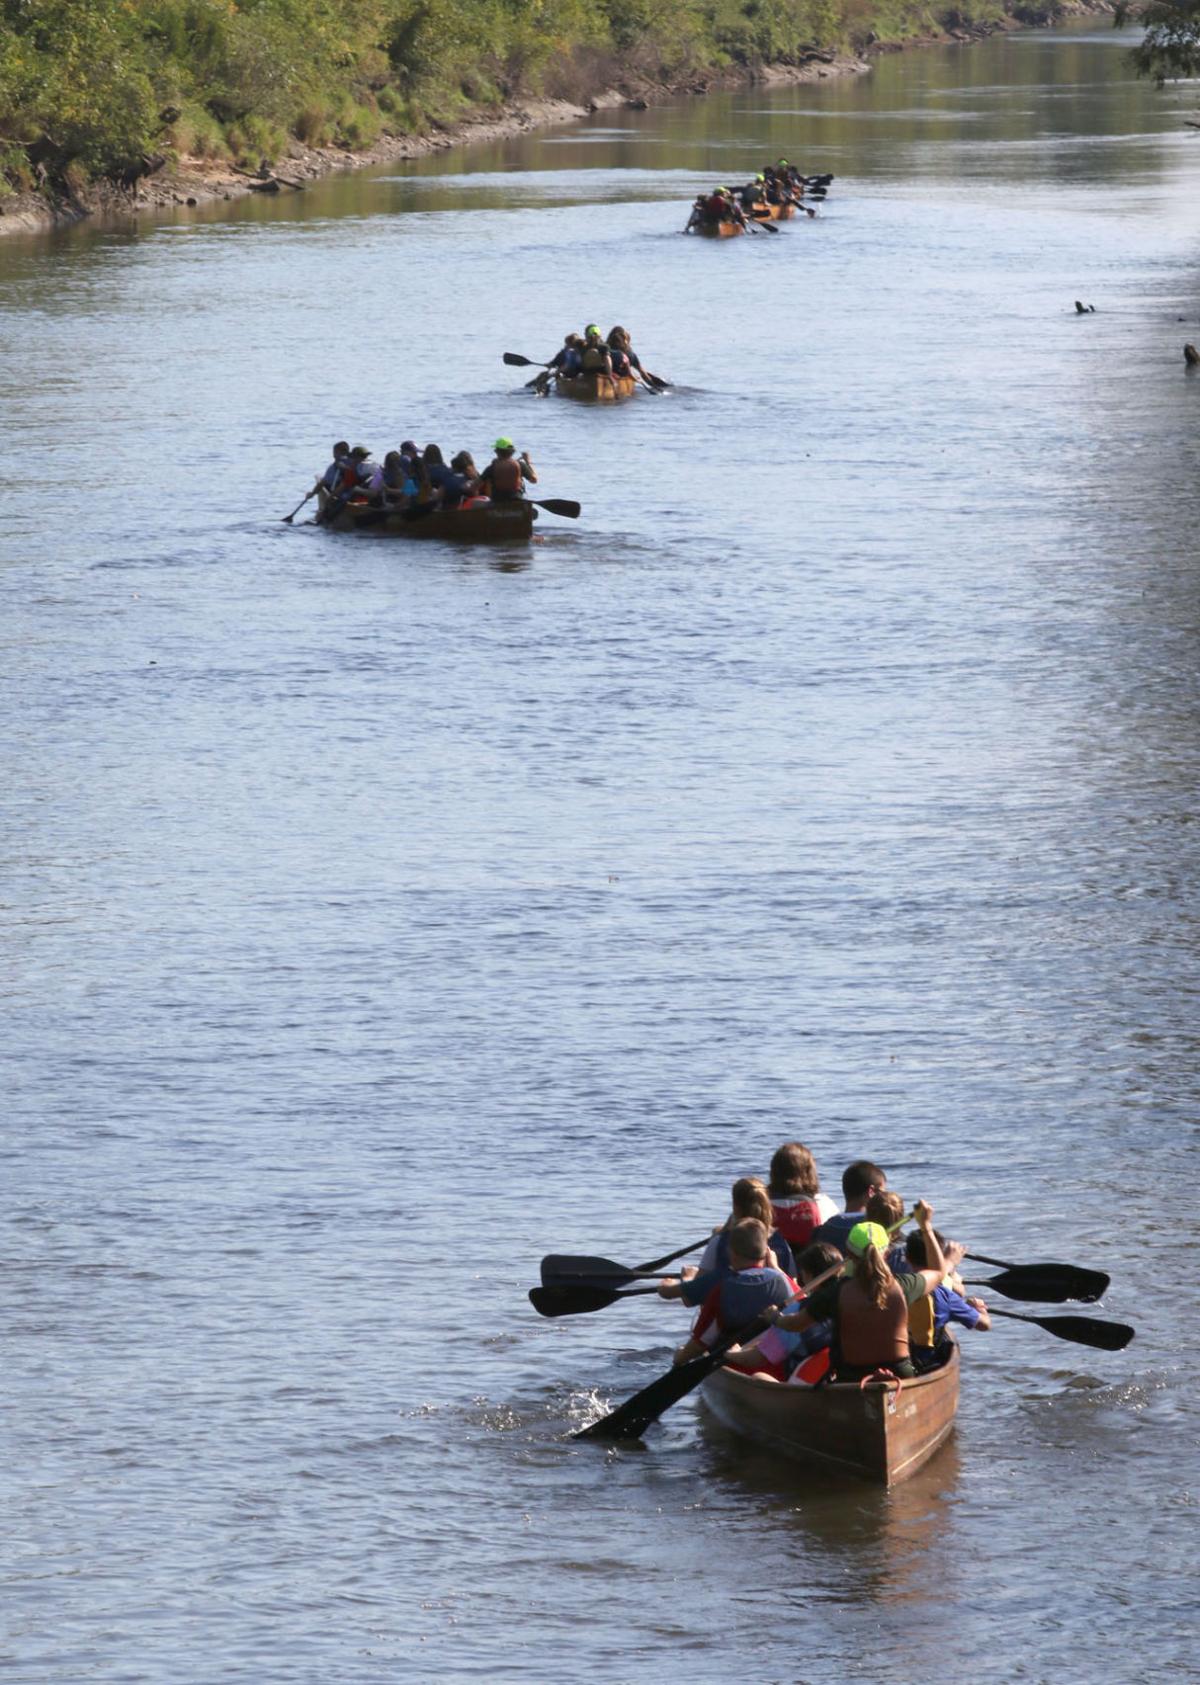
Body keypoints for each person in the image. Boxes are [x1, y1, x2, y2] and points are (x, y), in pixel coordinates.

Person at [763, 1201, 949, 1383]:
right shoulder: (904, 1285)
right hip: (899, 1375)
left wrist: (775, 1318)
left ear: (849, 1256)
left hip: (852, 1379)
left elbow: (796, 1324)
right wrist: (926, 1226)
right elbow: (939, 1272)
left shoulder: (834, 1292)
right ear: (886, 1254)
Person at [668, 1219, 795, 1366]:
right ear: (766, 1253)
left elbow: (700, 1343)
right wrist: (776, 1267)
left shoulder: (722, 1290)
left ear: (731, 1253)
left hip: (734, 1362)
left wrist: (680, 1357)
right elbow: (803, 1304)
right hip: (778, 1362)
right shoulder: (783, 1280)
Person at [724, 1241, 843, 1381]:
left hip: (806, 1384)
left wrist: (731, 1354)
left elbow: (757, 1359)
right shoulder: (849, 1300)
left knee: (759, 1377)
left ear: (809, 1275)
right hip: (839, 1376)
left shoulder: (797, 1310)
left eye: (803, 1273)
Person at [904, 1228, 988, 1367]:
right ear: (939, 1258)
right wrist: (980, 1310)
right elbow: (985, 1325)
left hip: (897, 1357)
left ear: (906, 1257)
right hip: (925, 1363)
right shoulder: (944, 1294)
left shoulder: (895, 1284)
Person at [693, 1176, 797, 1281]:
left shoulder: (720, 1241)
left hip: (730, 1296)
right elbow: (793, 1282)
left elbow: (696, 1293)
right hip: (775, 1296)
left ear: (735, 1208)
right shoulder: (781, 1242)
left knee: (688, 1274)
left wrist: (687, 1277)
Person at [768, 1142, 838, 1252]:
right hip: (811, 1267)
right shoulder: (823, 1204)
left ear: (773, 1172)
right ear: (810, 1172)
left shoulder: (759, 1203)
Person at [811, 1160, 888, 1254]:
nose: (884, 1198)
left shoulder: (825, 1228)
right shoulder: (876, 1230)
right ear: (871, 1192)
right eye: (883, 1193)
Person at [423, 443, 467, 509]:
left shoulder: (424, 469)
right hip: (447, 499)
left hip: (433, 498)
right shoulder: (445, 469)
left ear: (425, 455)